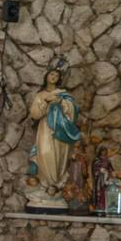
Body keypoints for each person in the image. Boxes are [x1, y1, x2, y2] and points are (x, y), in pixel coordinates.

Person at [27, 61, 80, 209]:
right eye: (51, 74)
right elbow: (35, 114)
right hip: (45, 130)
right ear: (46, 76)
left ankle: (55, 188)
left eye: (56, 75)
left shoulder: (64, 95)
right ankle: (45, 187)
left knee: (59, 158)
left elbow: (73, 112)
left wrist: (60, 102)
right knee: (44, 153)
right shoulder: (40, 95)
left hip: (60, 132)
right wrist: (46, 104)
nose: (54, 77)